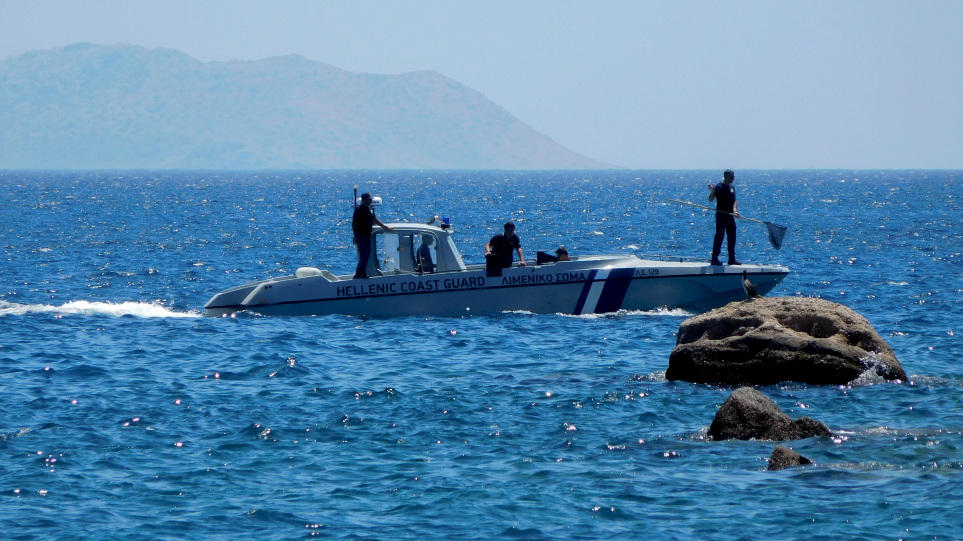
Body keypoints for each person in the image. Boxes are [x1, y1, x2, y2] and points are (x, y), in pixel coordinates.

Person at [352, 193, 392, 279]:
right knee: (364, 255)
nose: (370, 201)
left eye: (371, 199)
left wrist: (385, 227)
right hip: (361, 235)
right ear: (364, 199)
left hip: (367, 235)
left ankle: (362, 272)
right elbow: (354, 224)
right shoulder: (359, 210)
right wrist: (355, 236)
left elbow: (374, 219)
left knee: (367, 255)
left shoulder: (368, 209)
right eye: (368, 199)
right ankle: (359, 273)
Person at [708, 169, 741, 266]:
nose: (733, 179)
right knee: (719, 236)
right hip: (721, 215)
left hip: (730, 216)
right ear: (726, 177)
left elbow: (734, 200)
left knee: (732, 237)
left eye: (733, 177)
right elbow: (710, 199)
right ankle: (714, 258)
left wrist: (735, 211)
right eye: (732, 177)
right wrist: (713, 191)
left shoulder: (732, 188)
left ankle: (732, 259)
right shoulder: (718, 187)